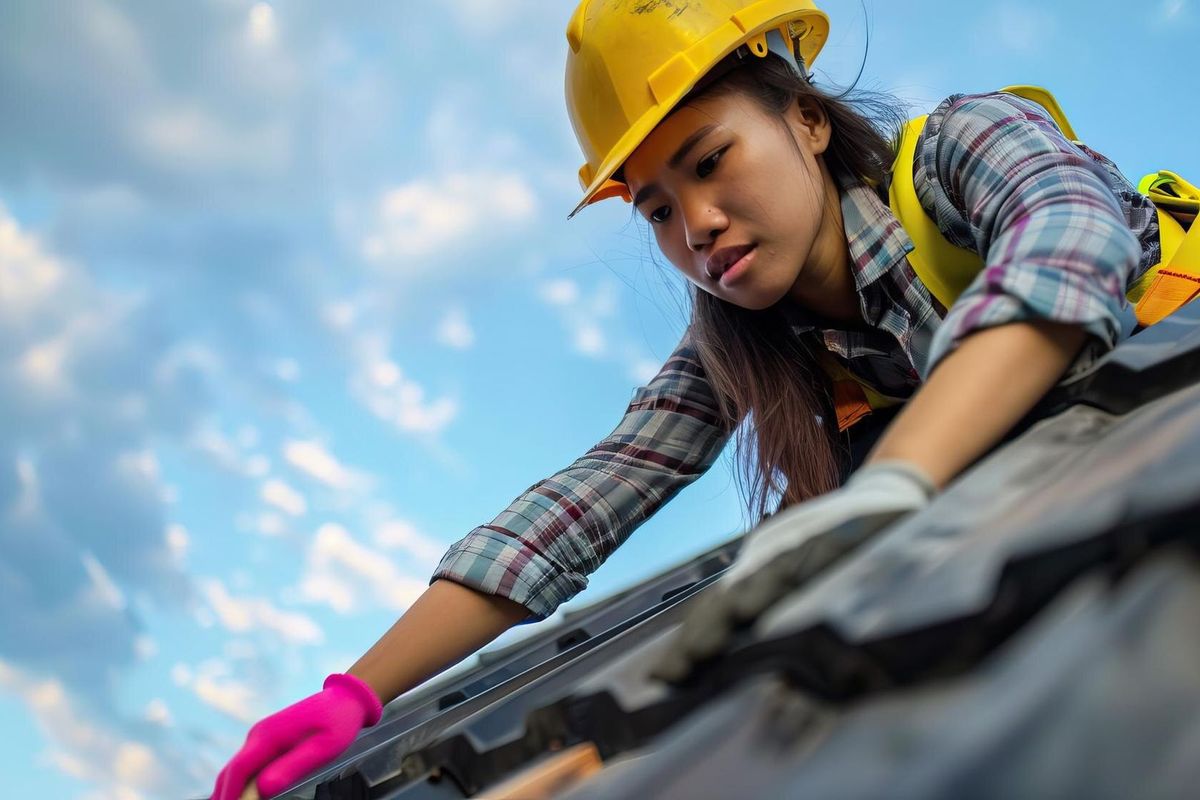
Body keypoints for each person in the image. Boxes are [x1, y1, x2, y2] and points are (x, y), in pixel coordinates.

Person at [210, 1, 1165, 797]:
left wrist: (898, 480)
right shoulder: (738, 346)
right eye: (658, 208)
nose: (696, 226)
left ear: (806, 119)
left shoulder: (963, 142)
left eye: (710, 162)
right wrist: (356, 694)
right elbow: (578, 508)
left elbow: (1067, 243)